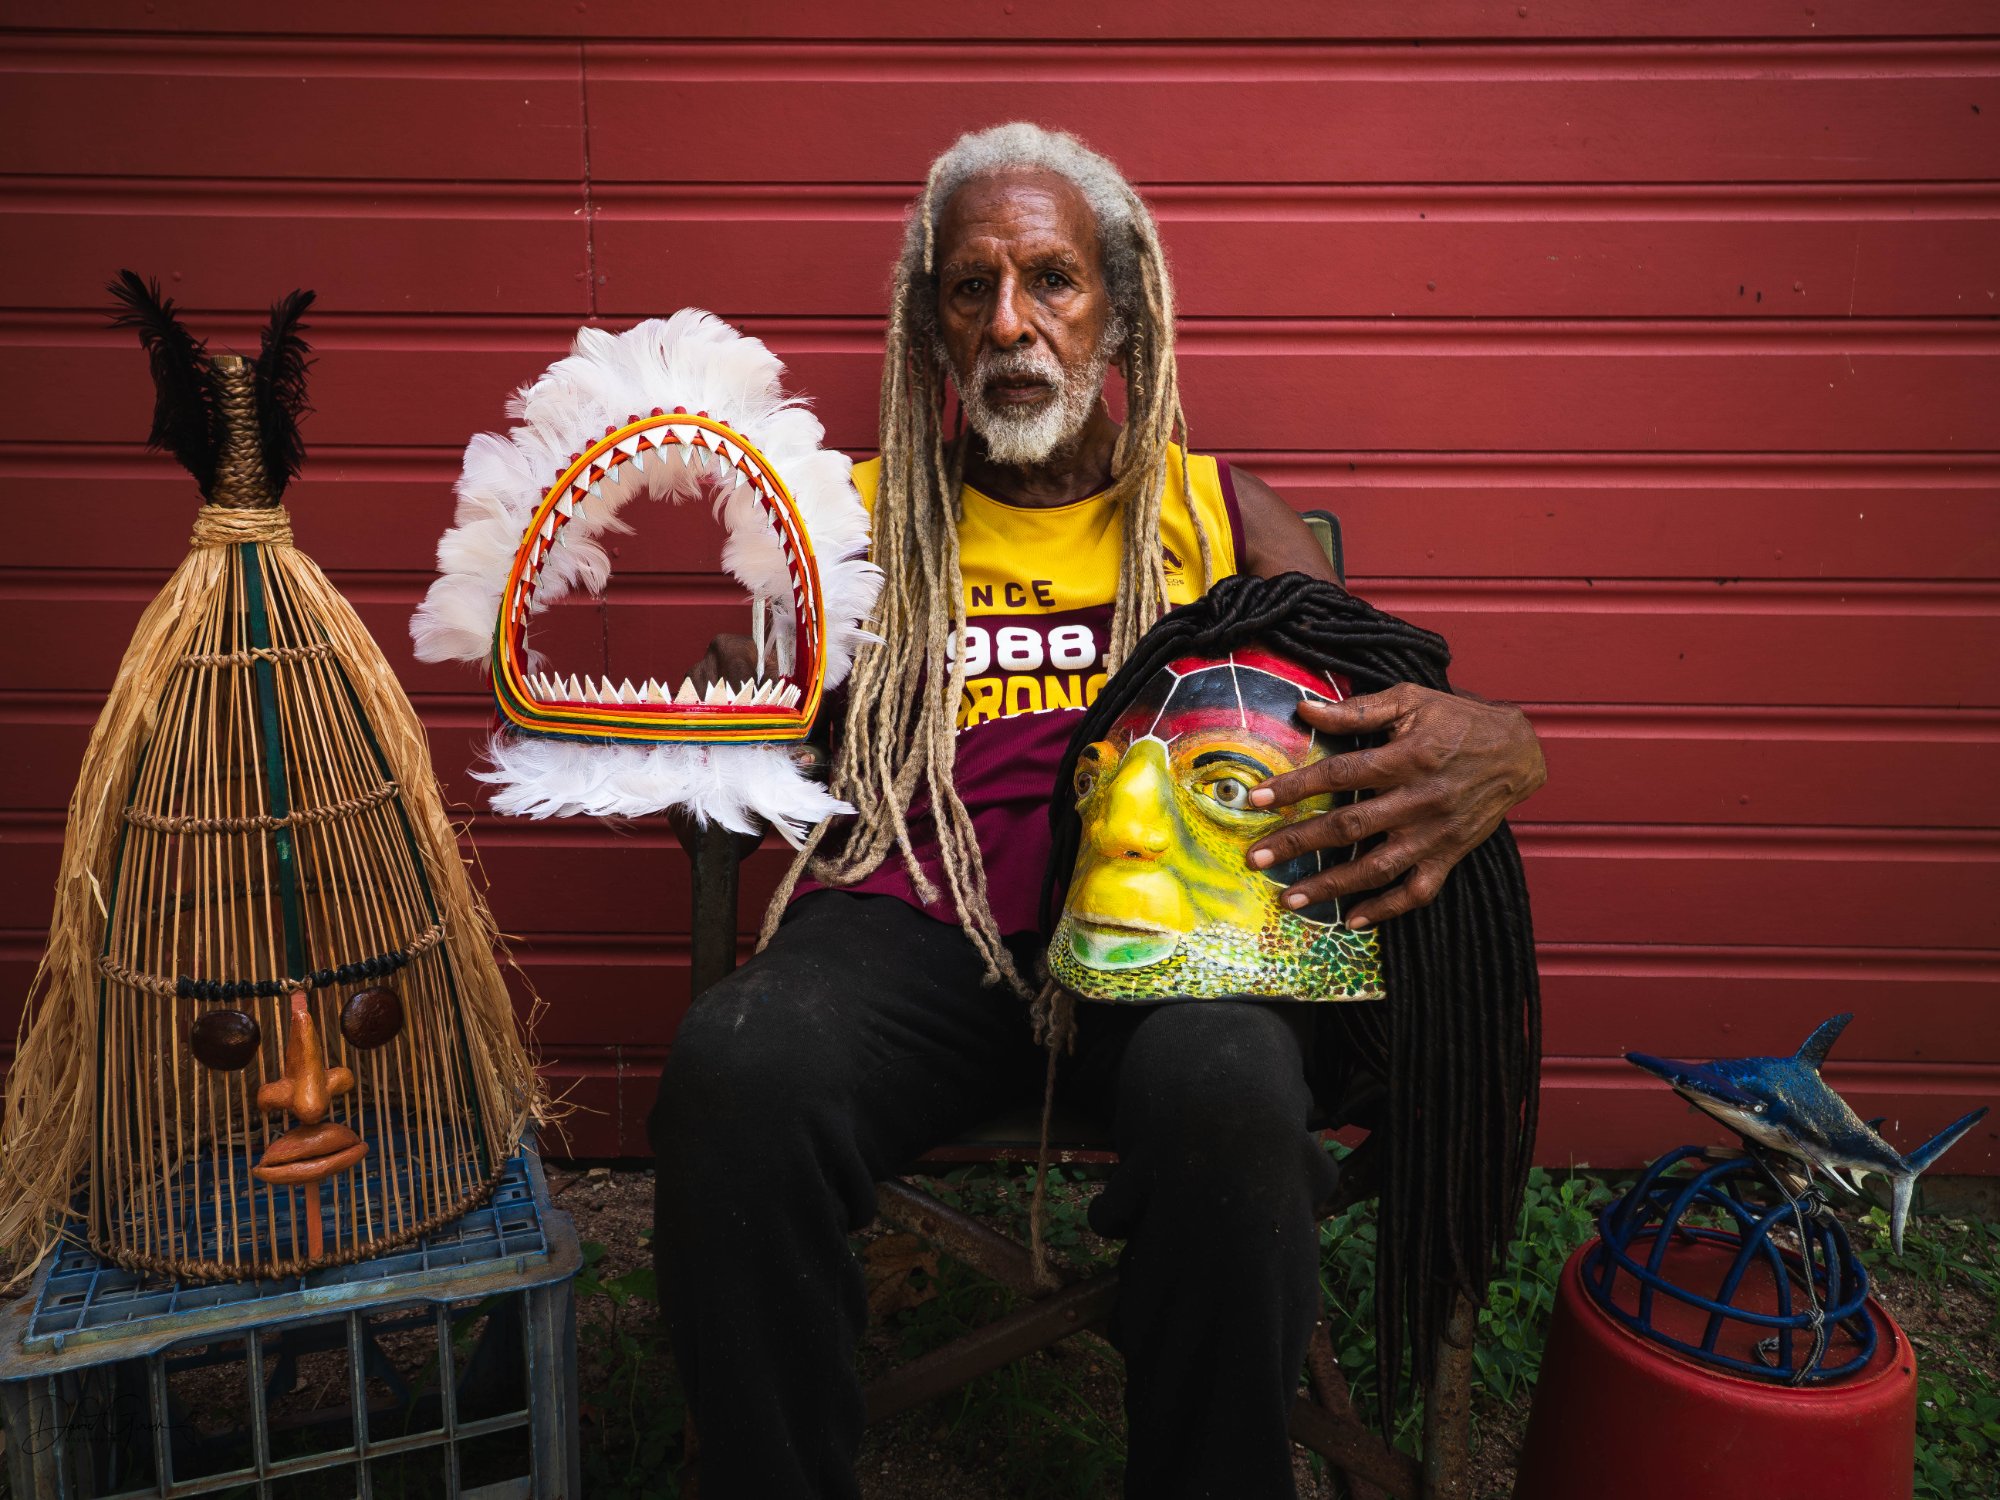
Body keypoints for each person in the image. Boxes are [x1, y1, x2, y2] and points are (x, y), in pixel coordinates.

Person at [650, 122, 1546, 1499]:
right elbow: (731, 765)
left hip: (1168, 939)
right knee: (741, 1064)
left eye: (1052, 282)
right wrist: (703, 738)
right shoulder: (856, 525)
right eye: (971, 288)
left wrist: (1506, 740)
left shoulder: (1217, 516)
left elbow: (1399, 710)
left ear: (1120, 314)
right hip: (913, 931)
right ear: (932, 329)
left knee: (1237, 1092)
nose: (1012, 324)